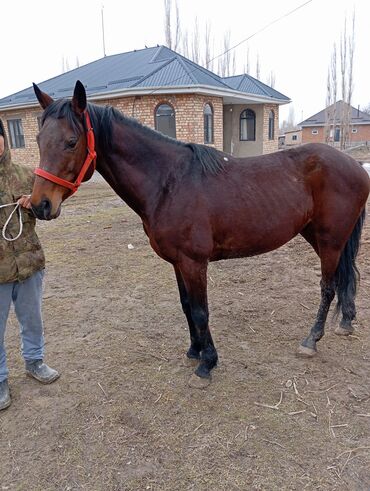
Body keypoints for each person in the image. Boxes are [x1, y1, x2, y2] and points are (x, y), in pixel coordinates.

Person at [0, 119, 59, 411]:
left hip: (29, 264)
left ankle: (35, 362)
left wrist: (34, 204)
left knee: (32, 320)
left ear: (3, 140)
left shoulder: (28, 176)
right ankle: (0, 380)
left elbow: (49, 212)